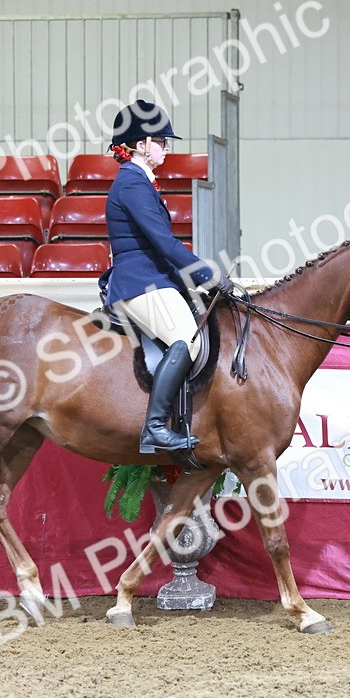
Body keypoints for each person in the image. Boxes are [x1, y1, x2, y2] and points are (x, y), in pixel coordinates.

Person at [104, 99, 232, 455]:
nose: (166, 147)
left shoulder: (142, 181)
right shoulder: (132, 183)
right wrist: (207, 274)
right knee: (186, 338)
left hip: (155, 278)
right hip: (140, 282)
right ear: (140, 143)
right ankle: (156, 427)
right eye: (160, 140)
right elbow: (163, 242)